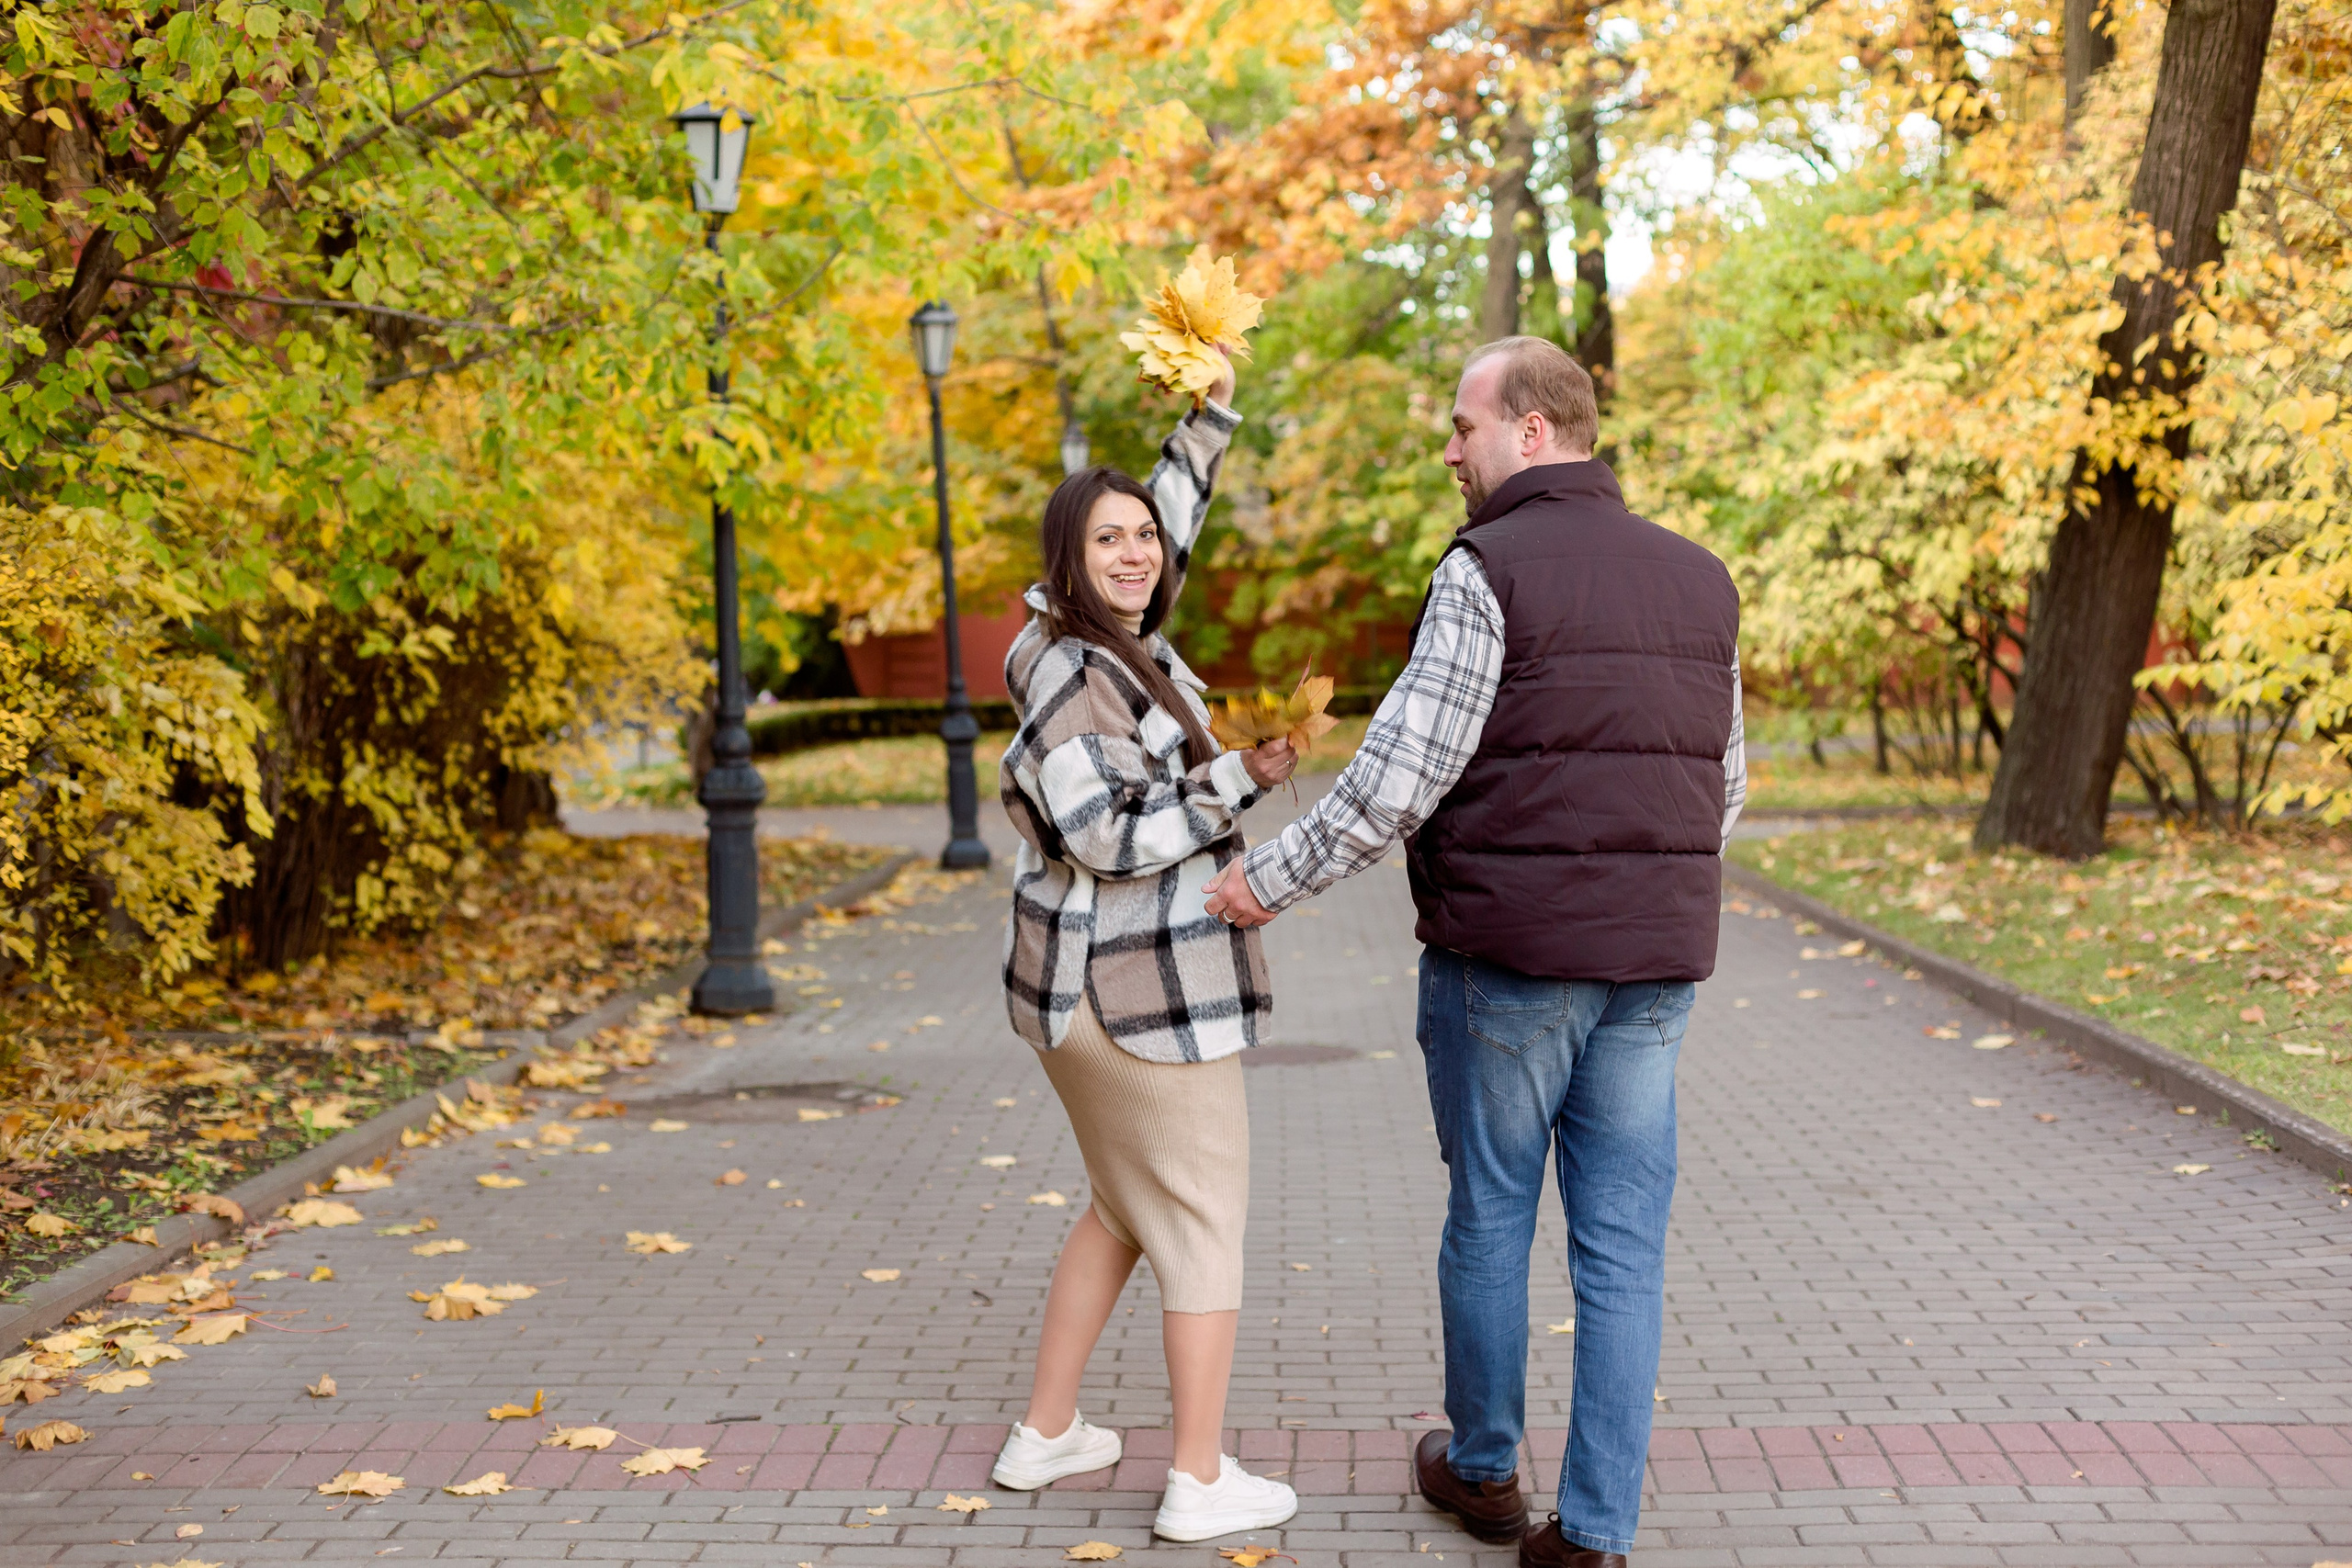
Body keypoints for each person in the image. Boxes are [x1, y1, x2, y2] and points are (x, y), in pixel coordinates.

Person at [1203, 337, 1745, 1568]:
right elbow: (1721, 791)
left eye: (1463, 426)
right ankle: (1593, 1534)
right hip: (1655, 972)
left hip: (1508, 963)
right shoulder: (1700, 579)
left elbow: (1401, 777)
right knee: (1623, 1249)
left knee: (1494, 1213)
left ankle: (1487, 1470)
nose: (1451, 450)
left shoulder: (1486, 569)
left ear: (1532, 432)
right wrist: (1643, 890)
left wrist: (1266, 882)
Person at [990, 357, 1303, 1543]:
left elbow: (1161, 524)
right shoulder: (1073, 672)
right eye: (1107, 542)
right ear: (1065, 563)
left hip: (1082, 992)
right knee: (1204, 1220)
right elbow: (1108, 837)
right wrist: (1236, 780)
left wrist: (1208, 414)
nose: (1135, 555)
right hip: (1131, 995)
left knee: (1124, 1209)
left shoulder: (1106, 634)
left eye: (1144, 538)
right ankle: (1199, 1479)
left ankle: (1046, 1433)